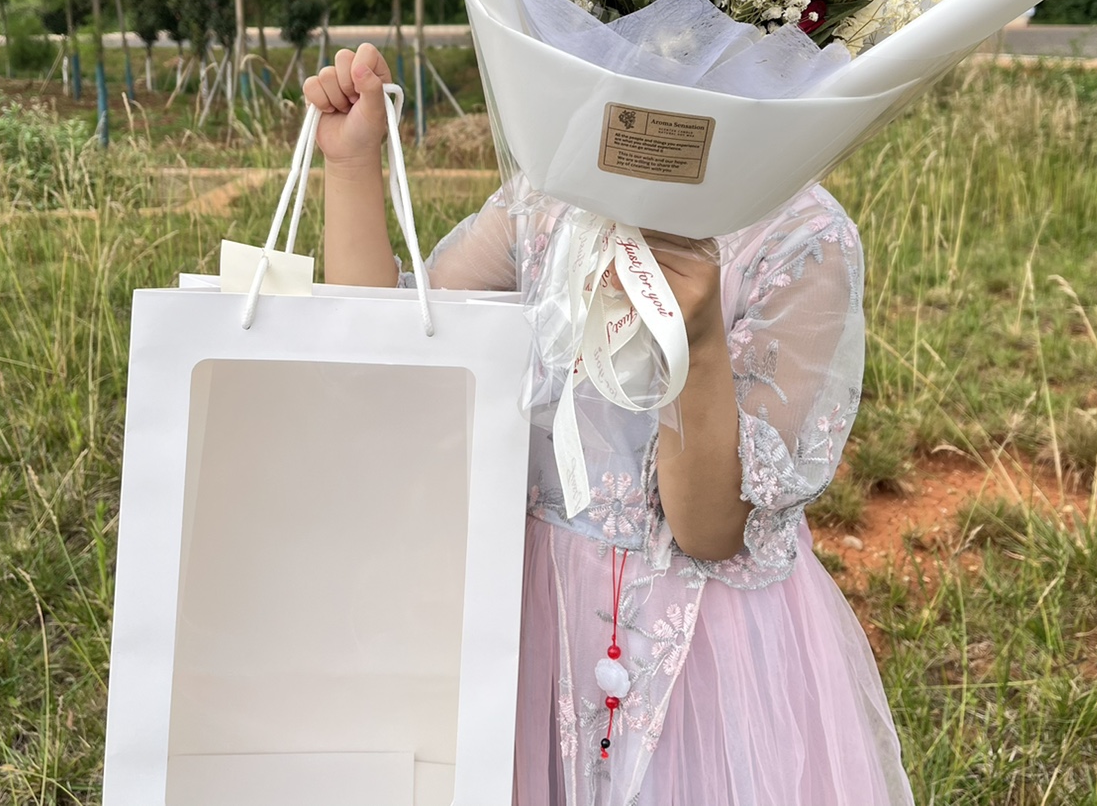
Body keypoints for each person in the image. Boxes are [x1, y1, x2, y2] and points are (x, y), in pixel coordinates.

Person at [305, 43, 915, 806]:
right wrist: (353, 166)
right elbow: (395, 354)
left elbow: (710, 530)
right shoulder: (552, 201)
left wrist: (694, 338)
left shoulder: (797, 238)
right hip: (529, 613)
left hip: (701, 651)